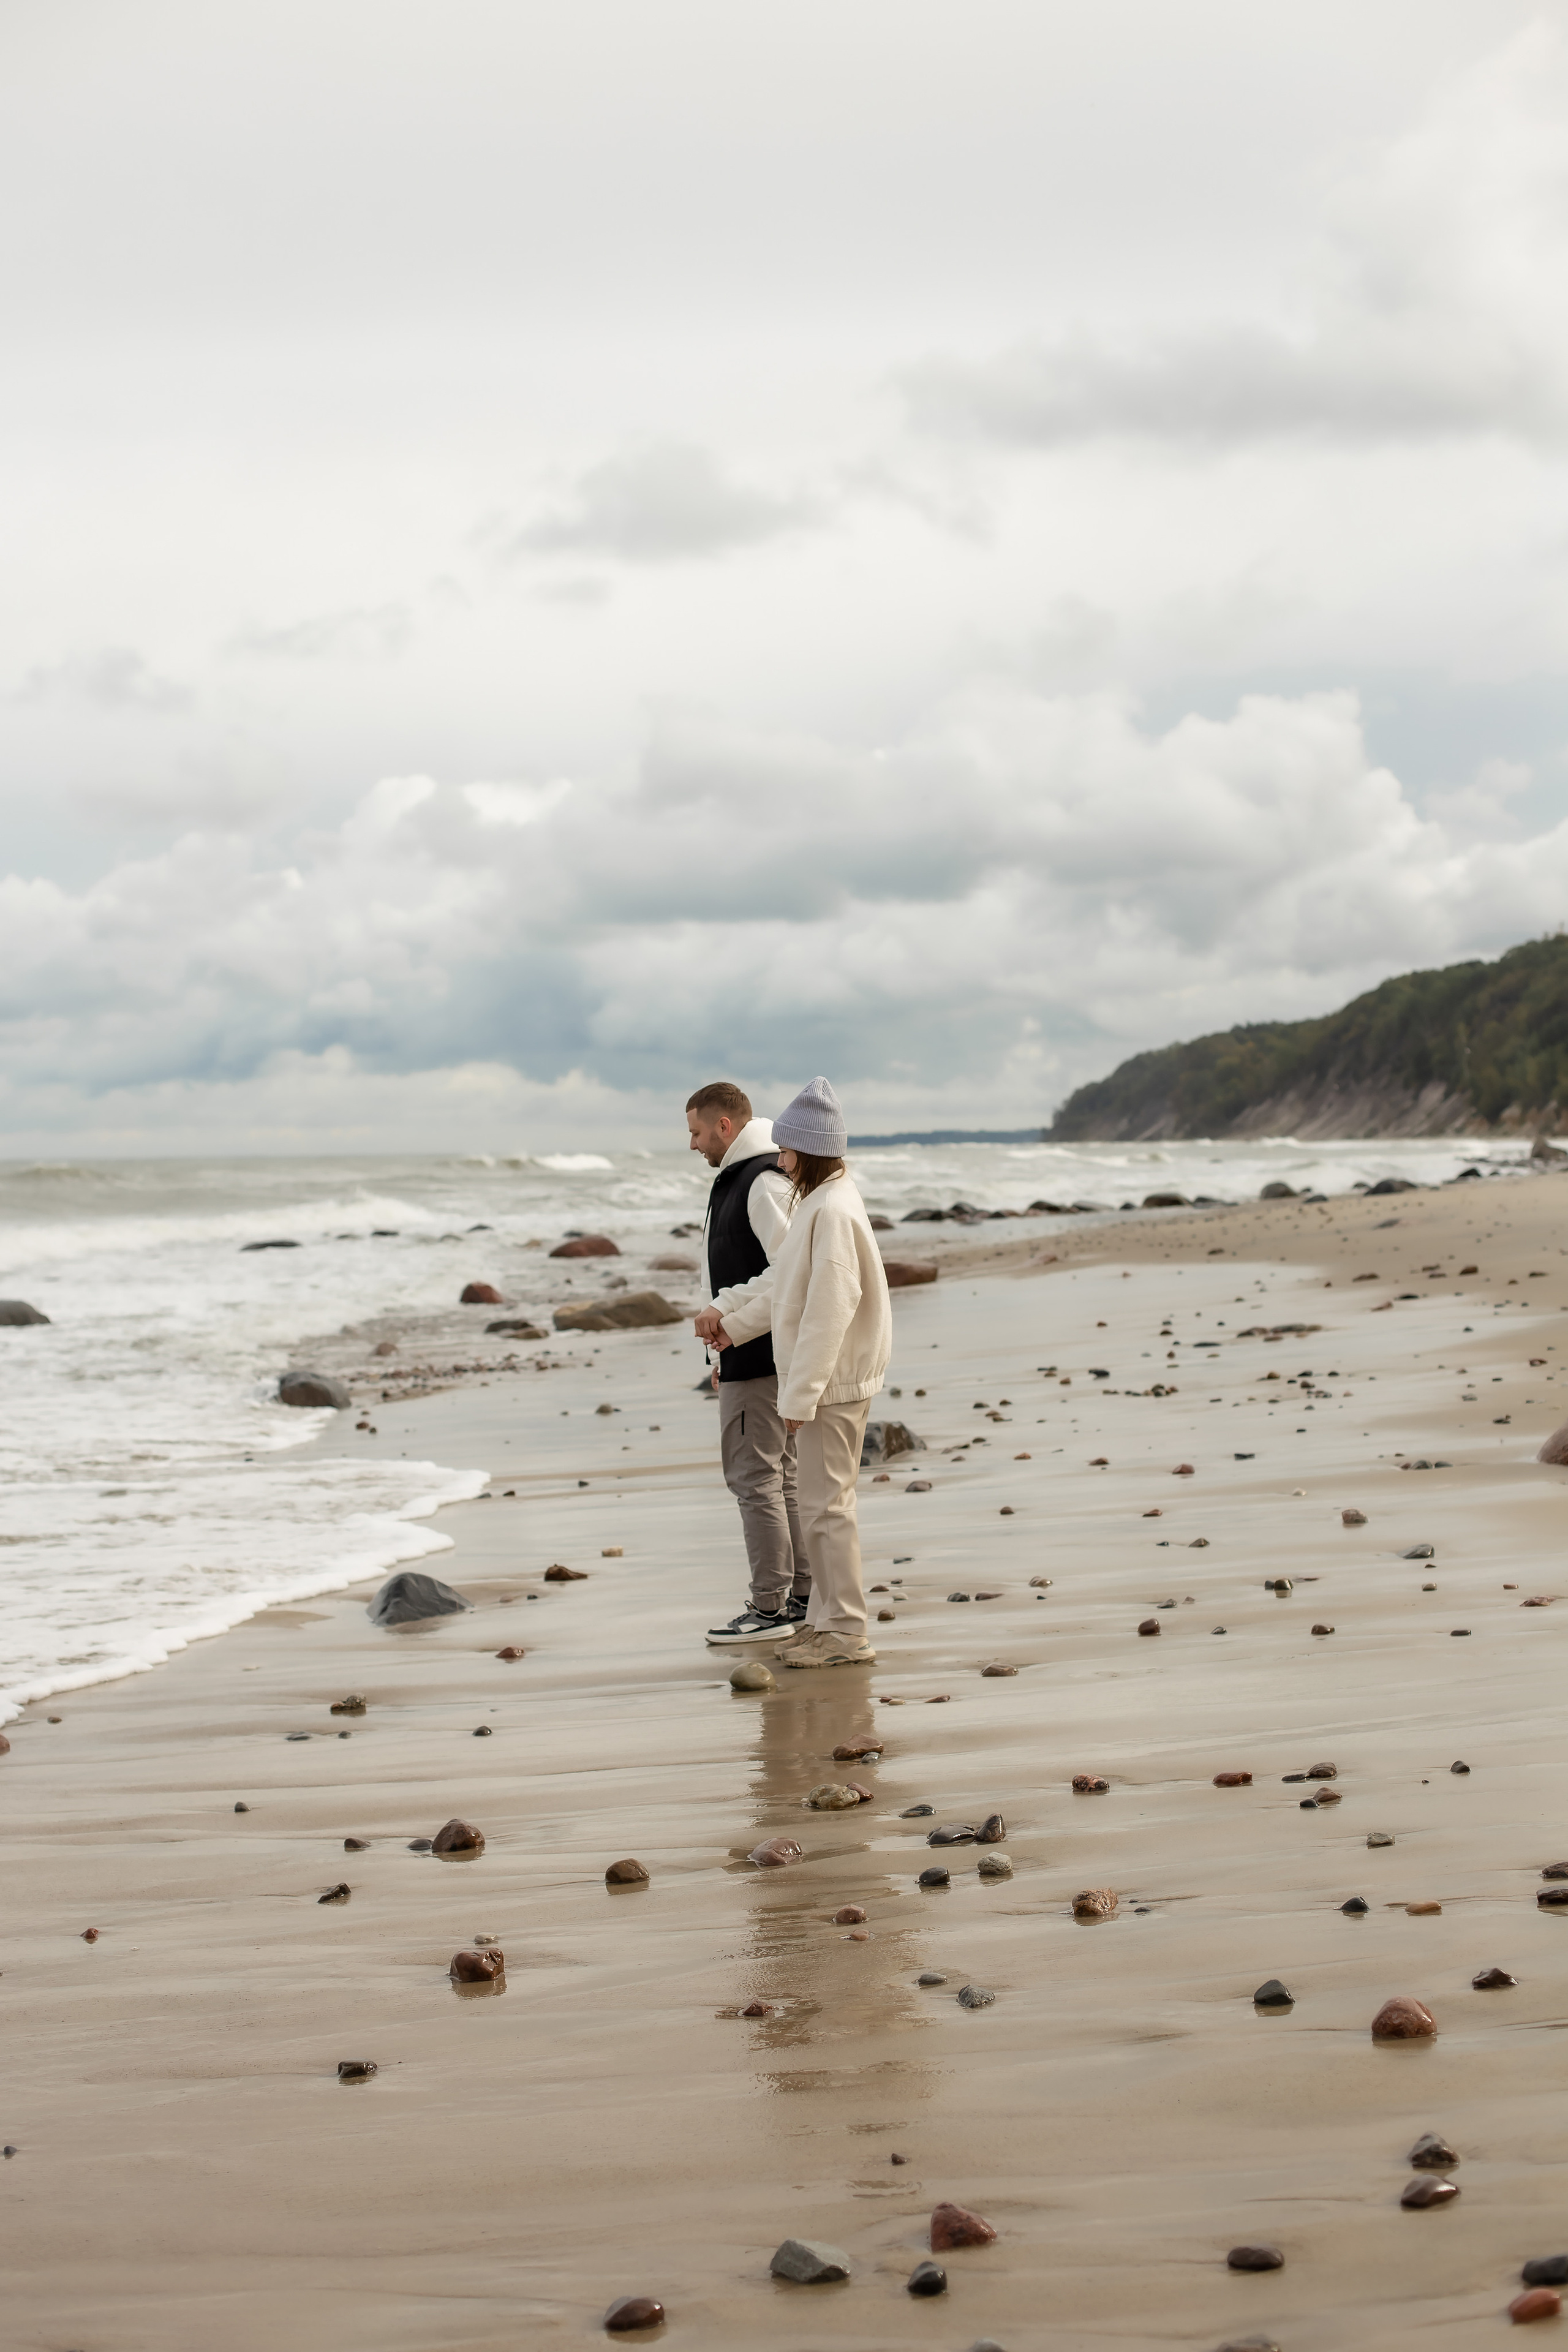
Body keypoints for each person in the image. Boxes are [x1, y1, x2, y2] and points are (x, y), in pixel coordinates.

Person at [694, 1076, 891, 1669]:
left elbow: (830, 1307)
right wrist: (730, 1317)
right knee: (816, 1506)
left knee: (828, 1509)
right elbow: (784, 1286)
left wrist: (800, 1397)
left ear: (805, 1150)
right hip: (828, 1381)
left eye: (783, 1151)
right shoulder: (817, 1204)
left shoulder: (830, 1210)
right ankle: (827, 1622)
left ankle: (846, 1632)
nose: (776, 1161)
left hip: (834, 1383)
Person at [686, 1079, 812, 1646]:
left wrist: (727, 1323)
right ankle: (803, 1597)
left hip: (758, 1353)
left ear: (724, 1126)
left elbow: (791, 1270)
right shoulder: (747, 1177)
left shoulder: (759, 1182)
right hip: (756, 1352)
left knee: (755, 1480)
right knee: (779, 1478)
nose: (692, 1144)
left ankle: (771, 1608)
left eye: (695, 1132)